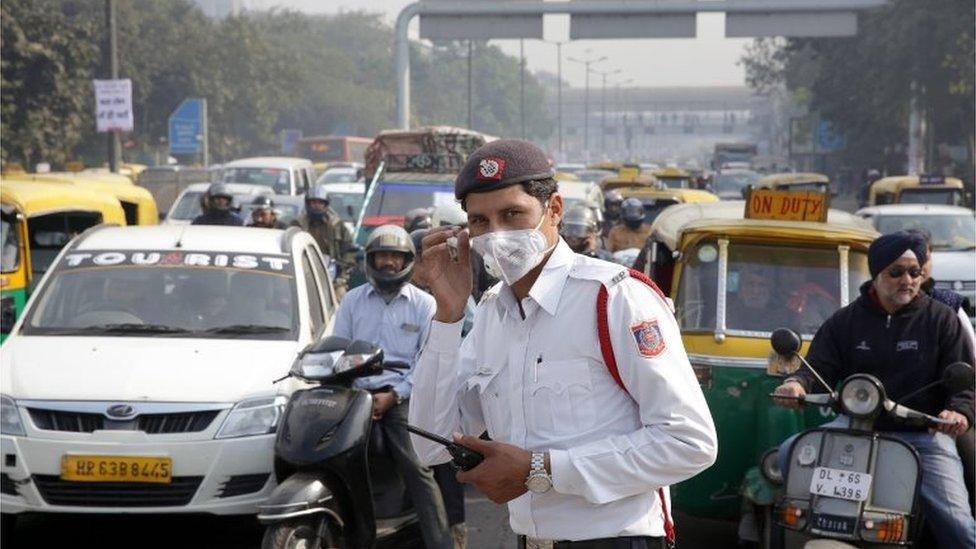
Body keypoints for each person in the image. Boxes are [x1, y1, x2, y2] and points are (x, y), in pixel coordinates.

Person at [409, 139, 717, 548]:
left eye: (512, 214)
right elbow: (430, 445)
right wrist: (447, 316)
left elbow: (689, 442)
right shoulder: (489, 314)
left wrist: (542, 469)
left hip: (616, 540)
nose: (496, 235)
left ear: (554, 210)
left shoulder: (614, 298)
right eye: (480, 222)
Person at [772, 230, 975, 549]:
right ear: (877, 273)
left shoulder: (942, 320)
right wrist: (796, 384)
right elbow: (817, 367)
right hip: (854, 428)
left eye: (914, 271)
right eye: (896, 272)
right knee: (788, 453)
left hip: (922, 434)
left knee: (960, 529)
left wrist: (958, 411)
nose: (906, 279)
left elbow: (965, 379)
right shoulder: (846, 321)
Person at [331, 224, 453, 549]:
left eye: (395, 257)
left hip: (400, 396)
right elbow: (338, 349)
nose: (388, 262)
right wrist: (358, 393)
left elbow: (426, 363)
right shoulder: (353, 301)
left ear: (406, 261)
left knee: (417, 467)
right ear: (371, 259)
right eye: (382, 255)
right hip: (355, 395)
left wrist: (393, 395)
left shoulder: (424, 305)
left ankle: (440, 543)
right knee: (333, 458)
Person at [293, 184, 354, 296]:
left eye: (320, 203)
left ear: (326, 205)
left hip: (332, 275)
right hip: (303, 272)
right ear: (307, 204)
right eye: (313, 202)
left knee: (341, 296)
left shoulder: (336, 225)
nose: (317, 206)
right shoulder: (298, 224)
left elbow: (348, 251)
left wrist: (342, 274)